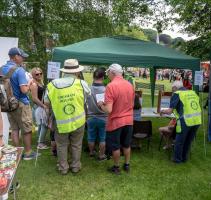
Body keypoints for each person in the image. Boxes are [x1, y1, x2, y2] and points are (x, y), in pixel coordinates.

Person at [44, 59, 90, 175]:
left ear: (64, 71)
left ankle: (63, 167)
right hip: (78, 120)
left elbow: (47, 103)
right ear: (77, 72)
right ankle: (75, 166)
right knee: (76, 144)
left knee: (61, 145)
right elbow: (87, 97)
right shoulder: (81, 83)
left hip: (60, 121)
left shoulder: (52, 85)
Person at [1, 47, 38, 160]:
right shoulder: (19, 70)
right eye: (21, 56)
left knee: (15, 129)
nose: (22, 59)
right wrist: (30, 82)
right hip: (21, 104)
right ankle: (27, 153)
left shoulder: (1, 69)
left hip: (7, 104)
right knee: (26, 130)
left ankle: (17, 152)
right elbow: (24, 90)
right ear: (16, 56)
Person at [98, 63, 134, 175]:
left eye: (108, 72)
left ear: (113, 73)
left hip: (116, 122)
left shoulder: (111, 86)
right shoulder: (129, 85)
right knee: (127, 144)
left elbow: (108, 110)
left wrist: (100, 105)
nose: (107, 74)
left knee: (115, 146)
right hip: (128, 120)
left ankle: (116, 167)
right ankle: (127, 165)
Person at [160, 81, 201, 163]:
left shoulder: (177, 93)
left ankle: (177, 159)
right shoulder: (192, 92)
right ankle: (184, 158)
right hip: (197, 120)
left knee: (179, 141)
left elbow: (169, 111)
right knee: (188, 141)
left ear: (175, 87)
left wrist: (161, 111)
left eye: (172, 89)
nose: (172, 90)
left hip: (185, 121)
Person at [87, 68, 107, 161]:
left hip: (91, 117)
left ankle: (91, 152)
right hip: (103, 117)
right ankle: (101, 155)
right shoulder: (105, 90)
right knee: (102, 138)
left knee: (91, 137)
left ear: (93, 76)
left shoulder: (88, 89)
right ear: (103, 77)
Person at [30, 67, 49, 150]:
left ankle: (40, 141)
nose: (39, 75)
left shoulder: (40, 83)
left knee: (42, 125)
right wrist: (43, 105)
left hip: (40, 106)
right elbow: (34, 98)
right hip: (38, 107)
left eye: (40, 73)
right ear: (33, 75)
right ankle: (40, 143)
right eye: (37, 74)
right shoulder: (34, 84)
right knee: (44, 124)